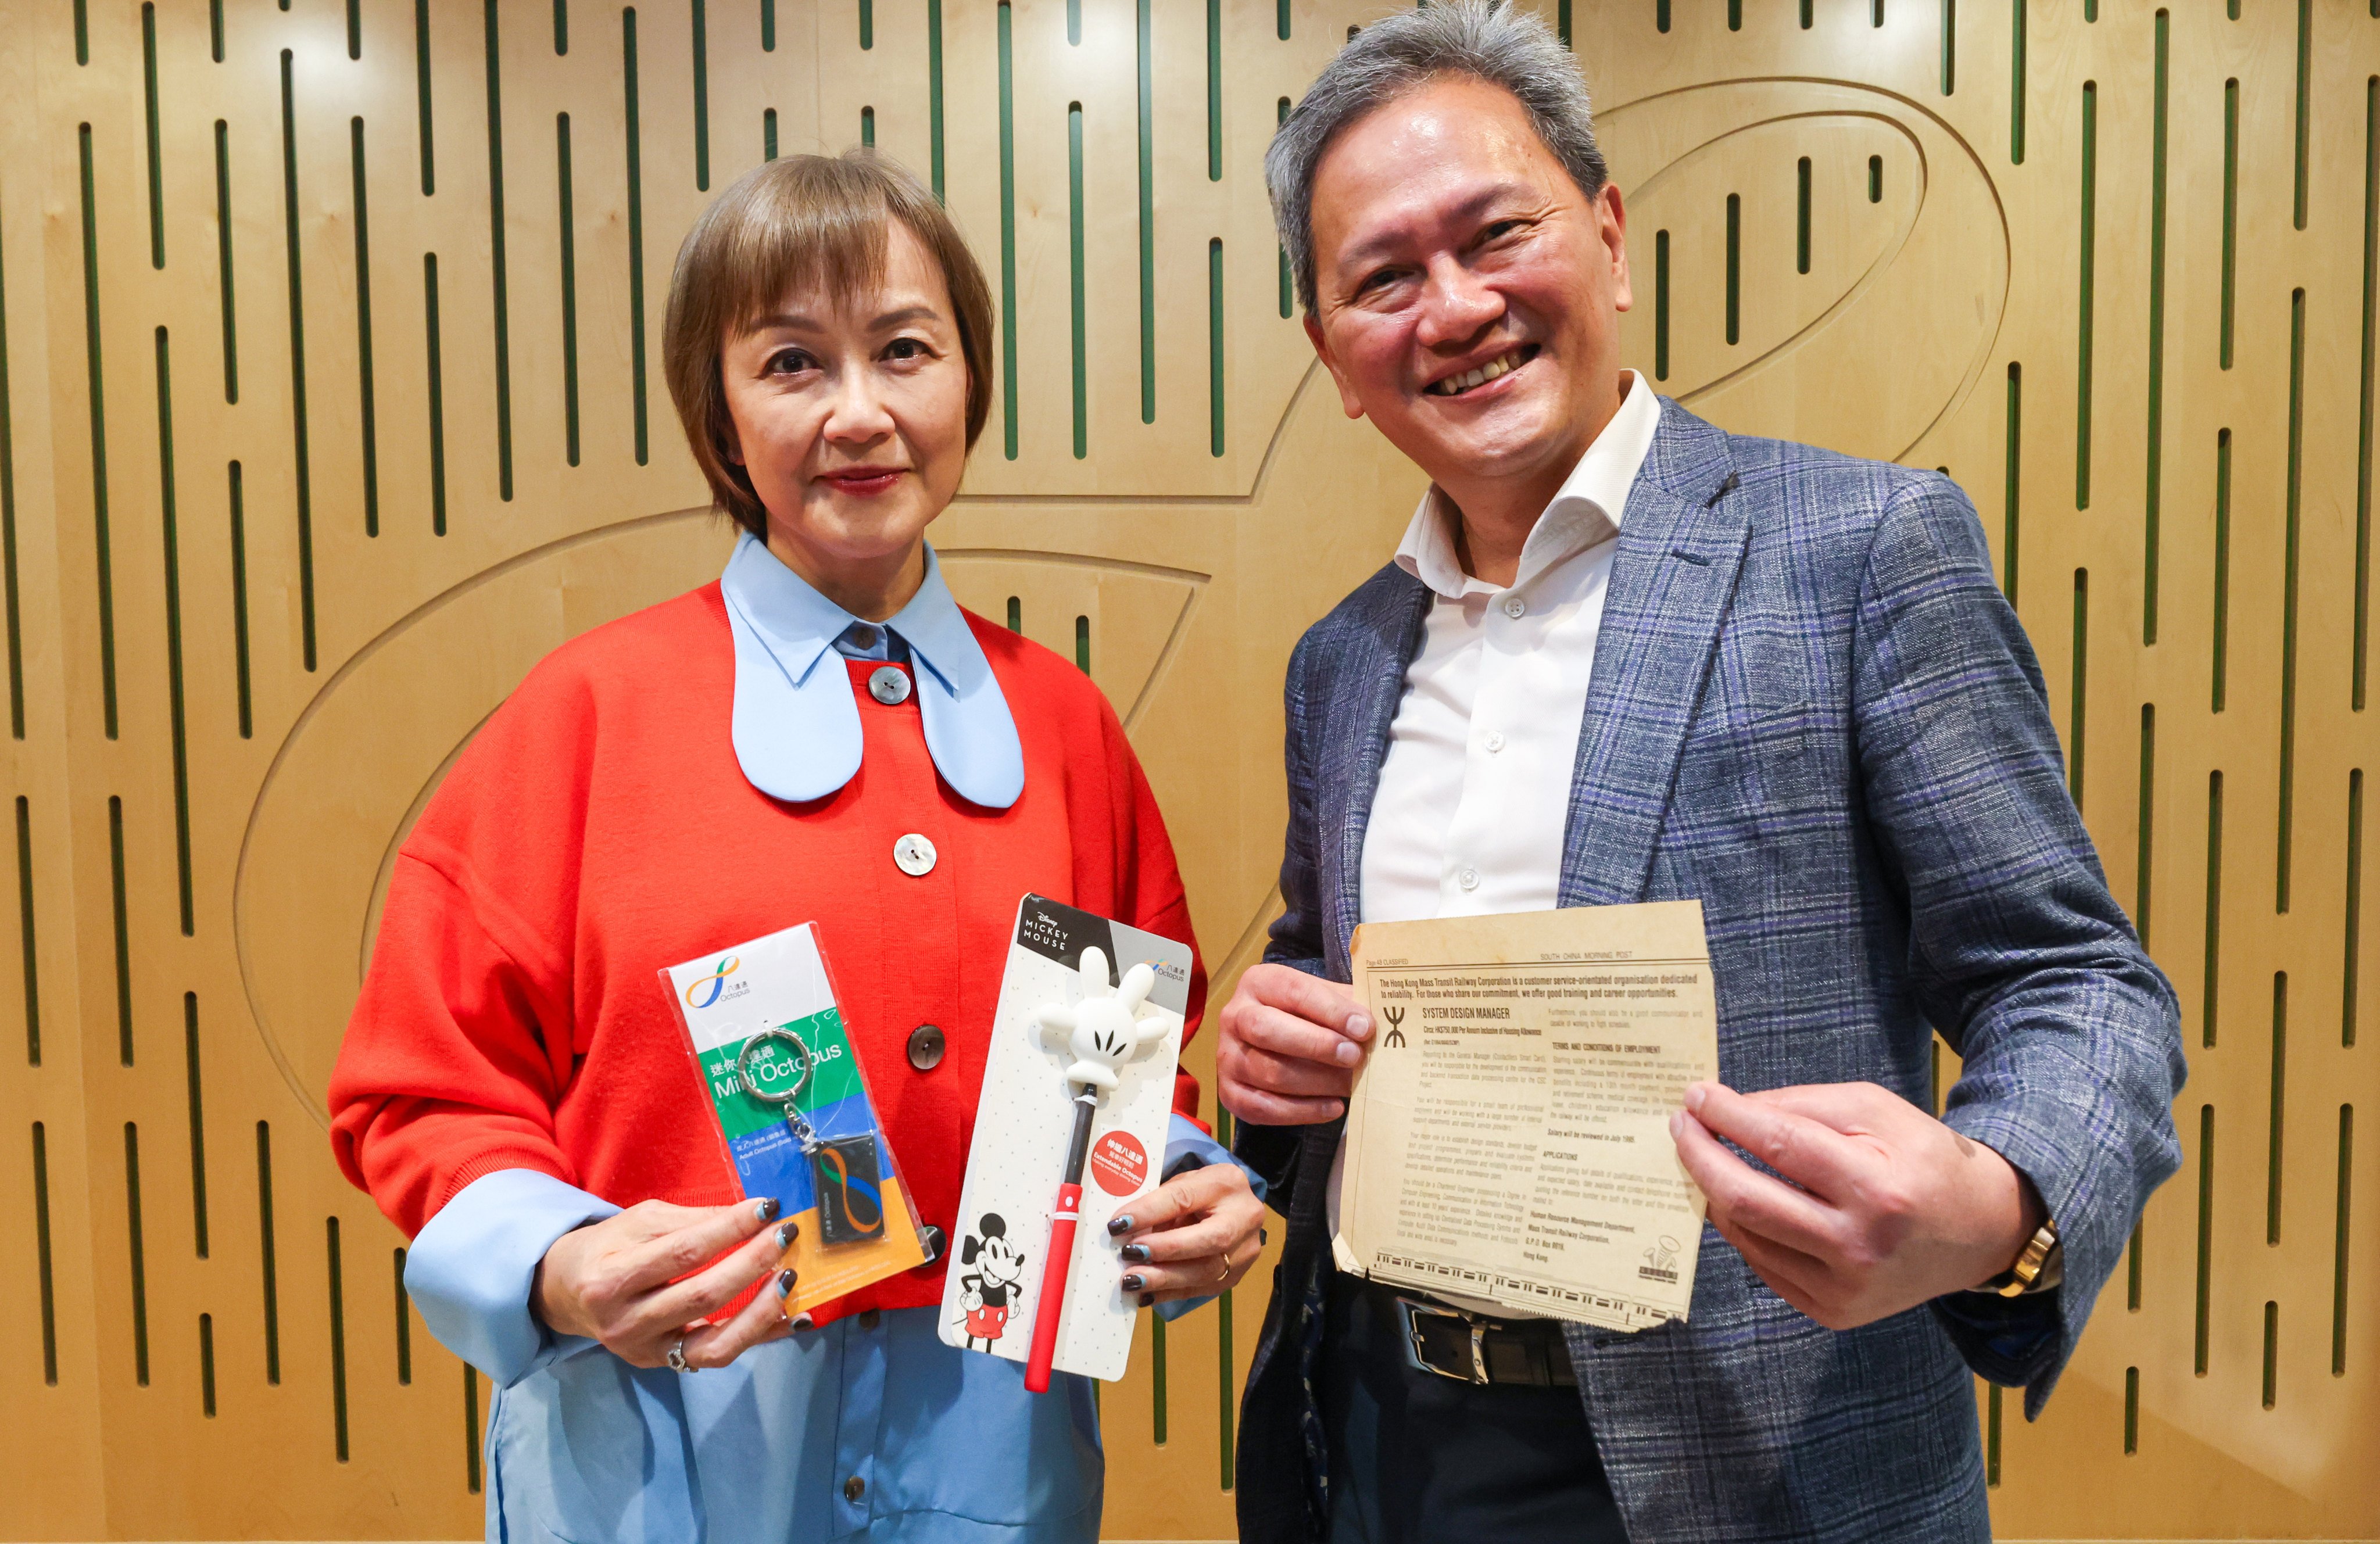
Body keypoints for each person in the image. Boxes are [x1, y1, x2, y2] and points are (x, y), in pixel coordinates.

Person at [1216, 7, 2188, 1542]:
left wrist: (1996, 1207)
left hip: (1759, 1470)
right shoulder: (1339, 659)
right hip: (1385, 1443)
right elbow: (1317, 992)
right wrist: (1266, 1077)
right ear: (1336, 356)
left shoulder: (1861, 551)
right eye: (1384, 278)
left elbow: (2075, 984)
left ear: (1607, 236)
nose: (1453, 306)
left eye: (1497, 234)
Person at [328, 149, 1266, 1544]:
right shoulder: (584, 714)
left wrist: (1184, 1186)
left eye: (904, 350)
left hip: (993, 1437)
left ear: (969, 379)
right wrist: (557, 1263)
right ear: (718, 411)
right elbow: (419, 1093)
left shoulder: (1063, 726)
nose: (860, 413)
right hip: (667, 1433)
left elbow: (1130, 1063)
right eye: (790, 363)